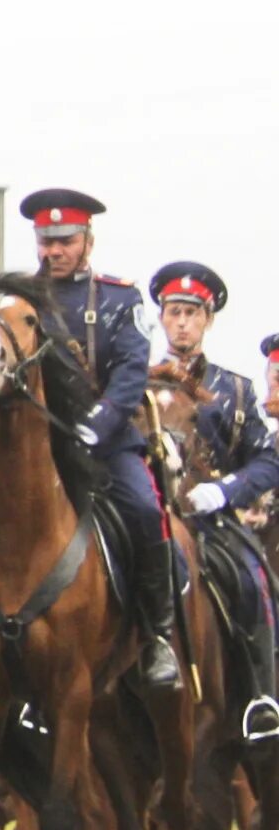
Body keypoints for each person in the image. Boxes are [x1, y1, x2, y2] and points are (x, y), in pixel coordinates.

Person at [18, 187, 171, 690]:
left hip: (106, 444)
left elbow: (131, 373)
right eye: (46, 240)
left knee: (147, 513)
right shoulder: (19, 301)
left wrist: (98, 424)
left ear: (87, 240)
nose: (53, 251)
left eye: (65, 240)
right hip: (38, 449)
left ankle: (157, 637)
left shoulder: (119, 298)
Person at [146, 262, 279, 739]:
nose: (182, 322)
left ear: (208, 320)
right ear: (161, 318)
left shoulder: (237, 390)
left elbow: (267, 462)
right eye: (174, 312)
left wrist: (222, 491)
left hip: (213, 524)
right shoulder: (137, 385)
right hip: (150, 518)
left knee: (253, 579)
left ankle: (263, 699)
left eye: (192, 313)